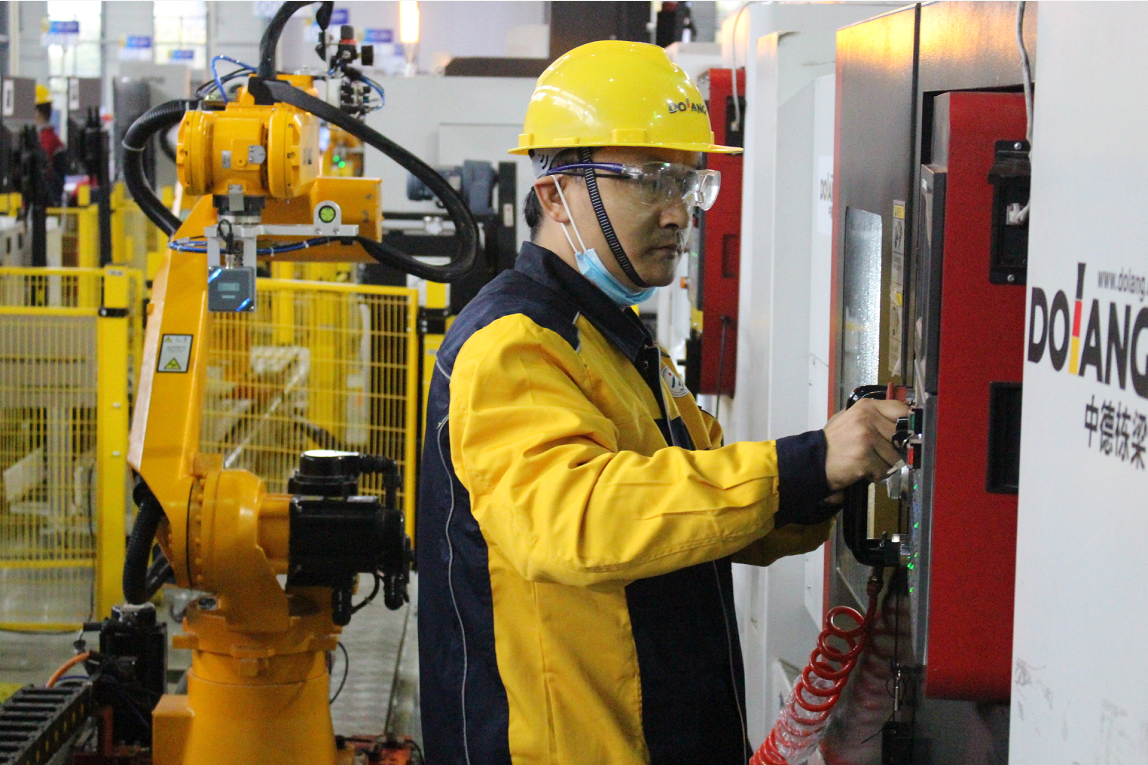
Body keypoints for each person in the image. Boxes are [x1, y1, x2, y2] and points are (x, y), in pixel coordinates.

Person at [417, 40, 907, 765]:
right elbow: (577, 519)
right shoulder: (514, 344)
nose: (680, 213)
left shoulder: (613, 339)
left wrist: (830, 481)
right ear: (555, 195)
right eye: (650, 181)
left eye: (689, 182)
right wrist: (805, 463)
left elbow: (696, 510)